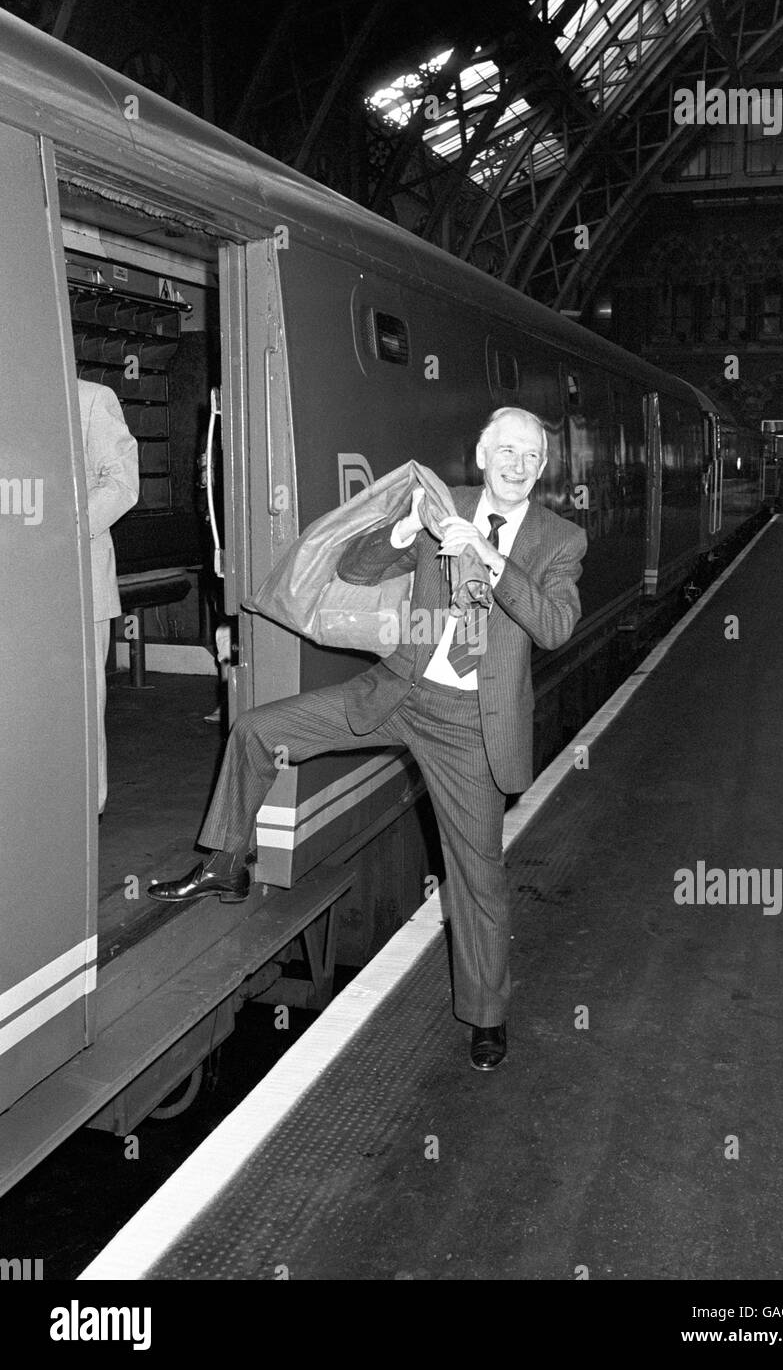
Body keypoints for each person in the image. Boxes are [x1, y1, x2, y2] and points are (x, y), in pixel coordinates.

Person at [149, 407, 586, 1071]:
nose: (518, 465)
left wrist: (489, 558)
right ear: (482, 452)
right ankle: (226, 862)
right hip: (400, 691)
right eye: (507, 451)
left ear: (543, 467)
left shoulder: (559, 539)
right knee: (258, 728)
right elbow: (356, 569)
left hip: (472, 727)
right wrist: (404, 529)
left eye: (532, 456)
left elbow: (554, 625)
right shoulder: (443, 504)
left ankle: (487, 1017)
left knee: (478, 882)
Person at [78, 378, 139, 815]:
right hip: (21, 585)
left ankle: (86, 809)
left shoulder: (92, 399)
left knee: (81, 700)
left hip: (80, 580)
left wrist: (61, 531)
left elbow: (121, 486)